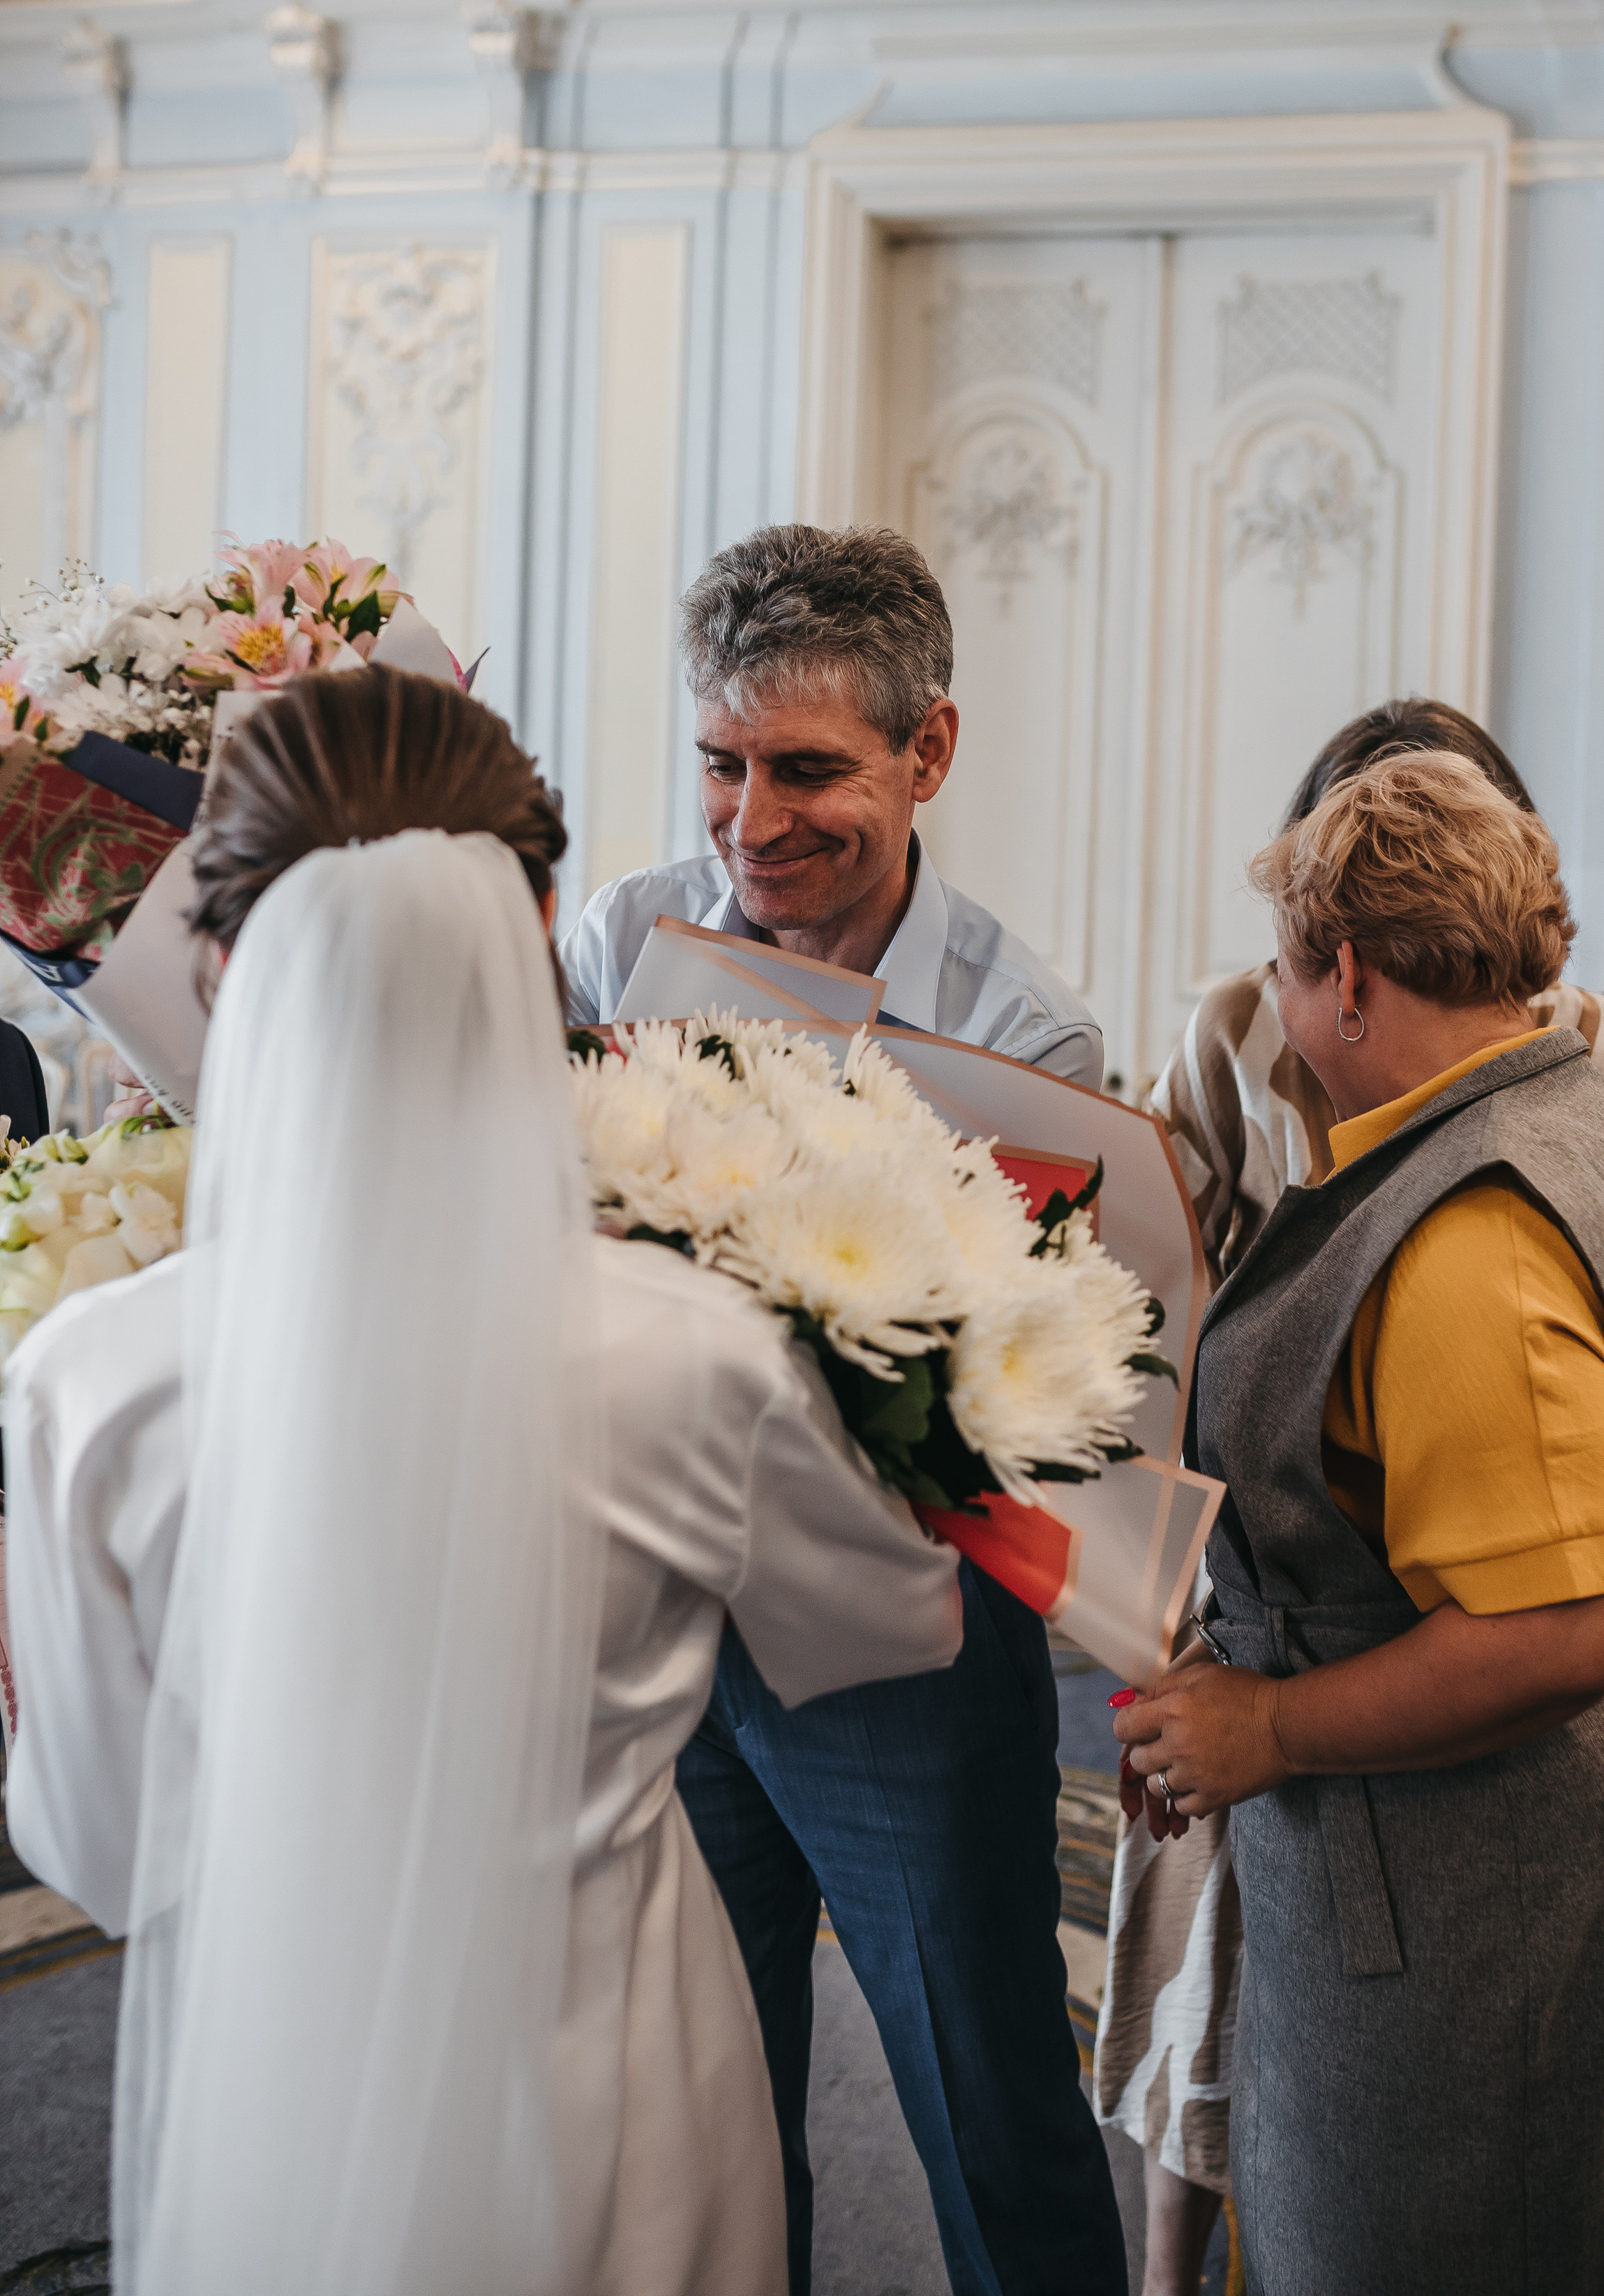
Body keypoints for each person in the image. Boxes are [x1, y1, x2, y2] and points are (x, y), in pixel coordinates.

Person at [2, 667, 965, 2296]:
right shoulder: (695, 1348)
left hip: (275, 2062)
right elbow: (883, 1627)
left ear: (219, 959)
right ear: (531, 924)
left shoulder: (89, 1383)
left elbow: (99, 1848)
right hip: (617, 2053)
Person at [562, 523, 1125, 2296]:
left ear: (926, 754)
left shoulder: (1027, 1034)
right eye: (722, 766)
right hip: (660, 1617)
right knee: (698, 2116)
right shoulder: (622, 935)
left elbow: (1033, 1408)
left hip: (904, 1644)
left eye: (809, 771)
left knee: (983, 2094)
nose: (752, 821)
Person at [1113, 750, 1604, 2296]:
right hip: (1496, 1865)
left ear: (1341, 975)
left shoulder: (1471, 1230)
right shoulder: (1553, 1118)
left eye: (1282, 969)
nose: (1277, 1005)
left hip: (1492, 1904)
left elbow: (1567, 1622)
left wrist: (1263, 1728)